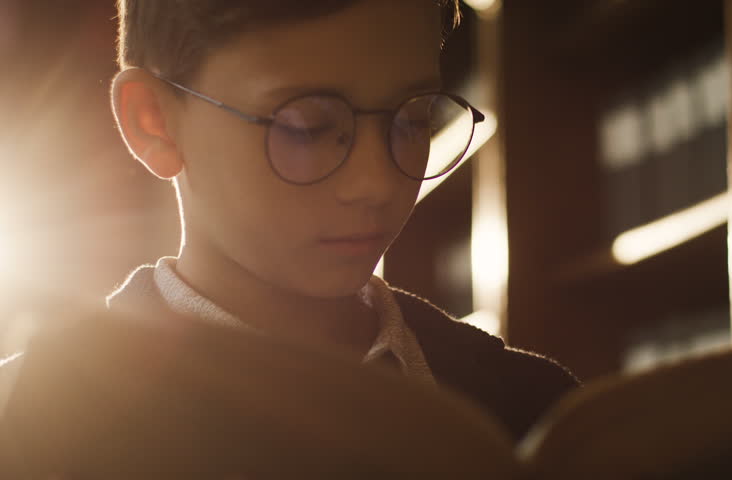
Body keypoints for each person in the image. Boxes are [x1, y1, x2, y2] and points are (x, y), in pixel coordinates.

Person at [1, 0, 578, 474]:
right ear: (154, 121)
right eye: (307, 127)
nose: (377, 182)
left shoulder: (535, 408)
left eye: (414, 117)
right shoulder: (23, 421)